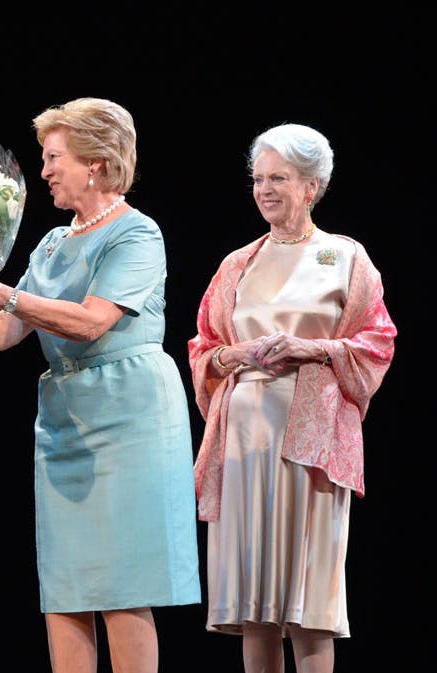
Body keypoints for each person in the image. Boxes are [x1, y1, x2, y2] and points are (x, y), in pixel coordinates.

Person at [0, 97, 200, 673]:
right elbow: (3, 335)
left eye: (53, 157)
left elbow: (94, 320)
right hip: (65, 419)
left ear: (95, 162)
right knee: (66, 589)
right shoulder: (50, 243)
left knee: (123, 584)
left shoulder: (137, 235)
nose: (43, 171)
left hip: (129, 416)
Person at [186, 123, 396, 673]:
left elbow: (377, 342)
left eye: (278, 177)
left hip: (311, 447)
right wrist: (237, 357)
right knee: (254, 604)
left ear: (312, 186)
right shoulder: (237, 263)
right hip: (244, 442)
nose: (264, 189)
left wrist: (314, 347)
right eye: (258, 178)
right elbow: (205, 347)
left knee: (309, 606)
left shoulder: (345, 257)